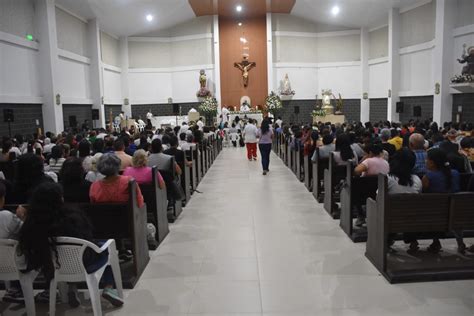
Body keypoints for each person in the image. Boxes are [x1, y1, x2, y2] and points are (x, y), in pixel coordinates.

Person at [19, 182, 124, 307]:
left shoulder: (34, 223)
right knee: (104, 248)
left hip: (53, 265)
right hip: (84, 262)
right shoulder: (73, 216)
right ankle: (108, 286)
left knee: (64, 255)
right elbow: (88, 238)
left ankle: (72, 288)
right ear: (59, 198)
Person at [419, 148, 461, 253]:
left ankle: (435, 241)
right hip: (456, 213)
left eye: (427, 159)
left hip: (434, 214)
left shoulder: (427, 177)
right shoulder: (455, 174)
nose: (425, 161)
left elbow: (423, 195)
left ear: (432, 163)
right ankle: (460, 243)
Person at [0, 181, 25, 303]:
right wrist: (21, 217)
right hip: (10, 264)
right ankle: (17, 288)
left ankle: (14, 288)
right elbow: (25, 231)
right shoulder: (6, 216)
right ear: (2, 199)